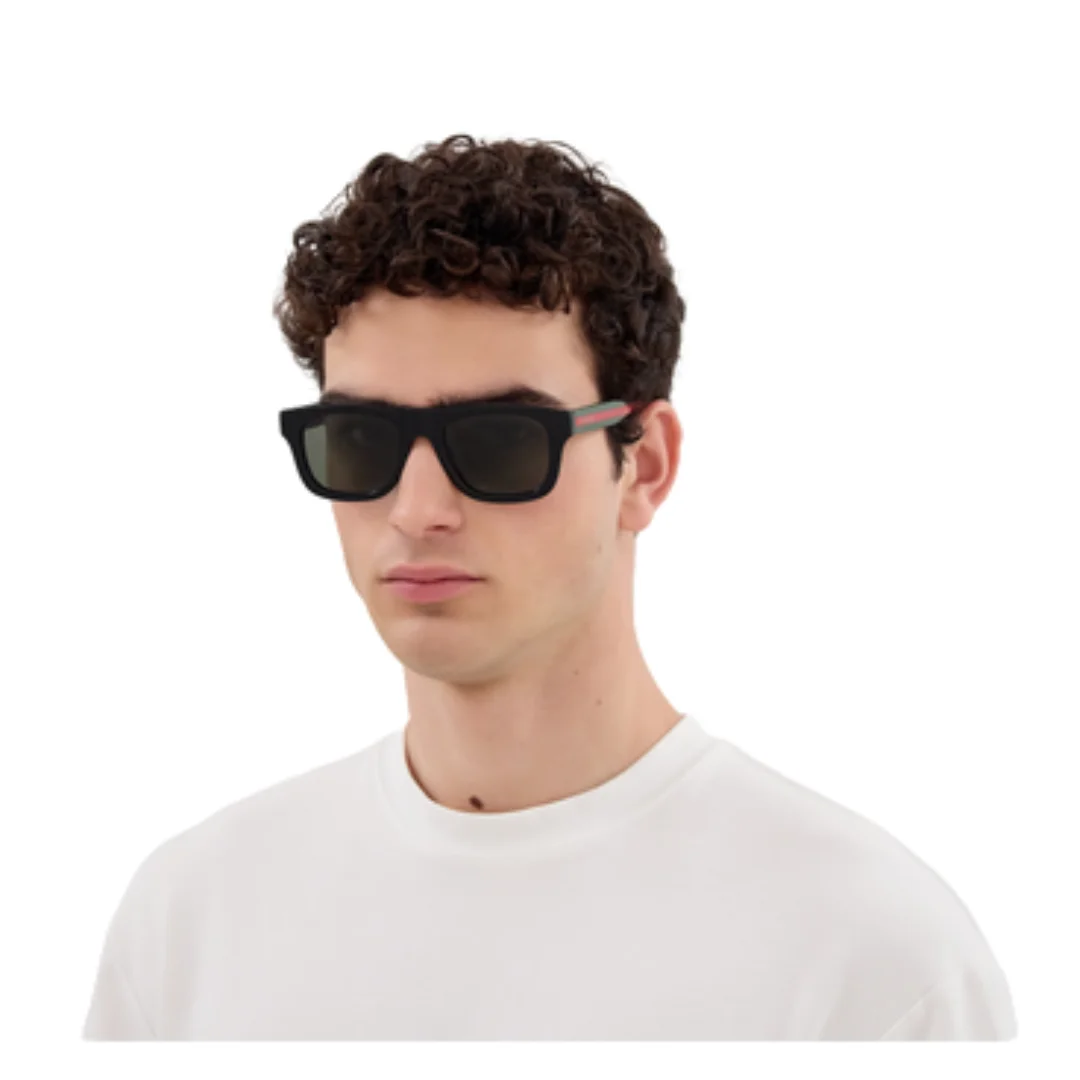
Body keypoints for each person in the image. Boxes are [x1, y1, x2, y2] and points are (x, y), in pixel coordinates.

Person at [82, 133, 1017, 1041]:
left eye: (498, 442)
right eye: (360, 441)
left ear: (645, 466)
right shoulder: (192, 925)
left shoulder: (874, 968)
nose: (417, 510)